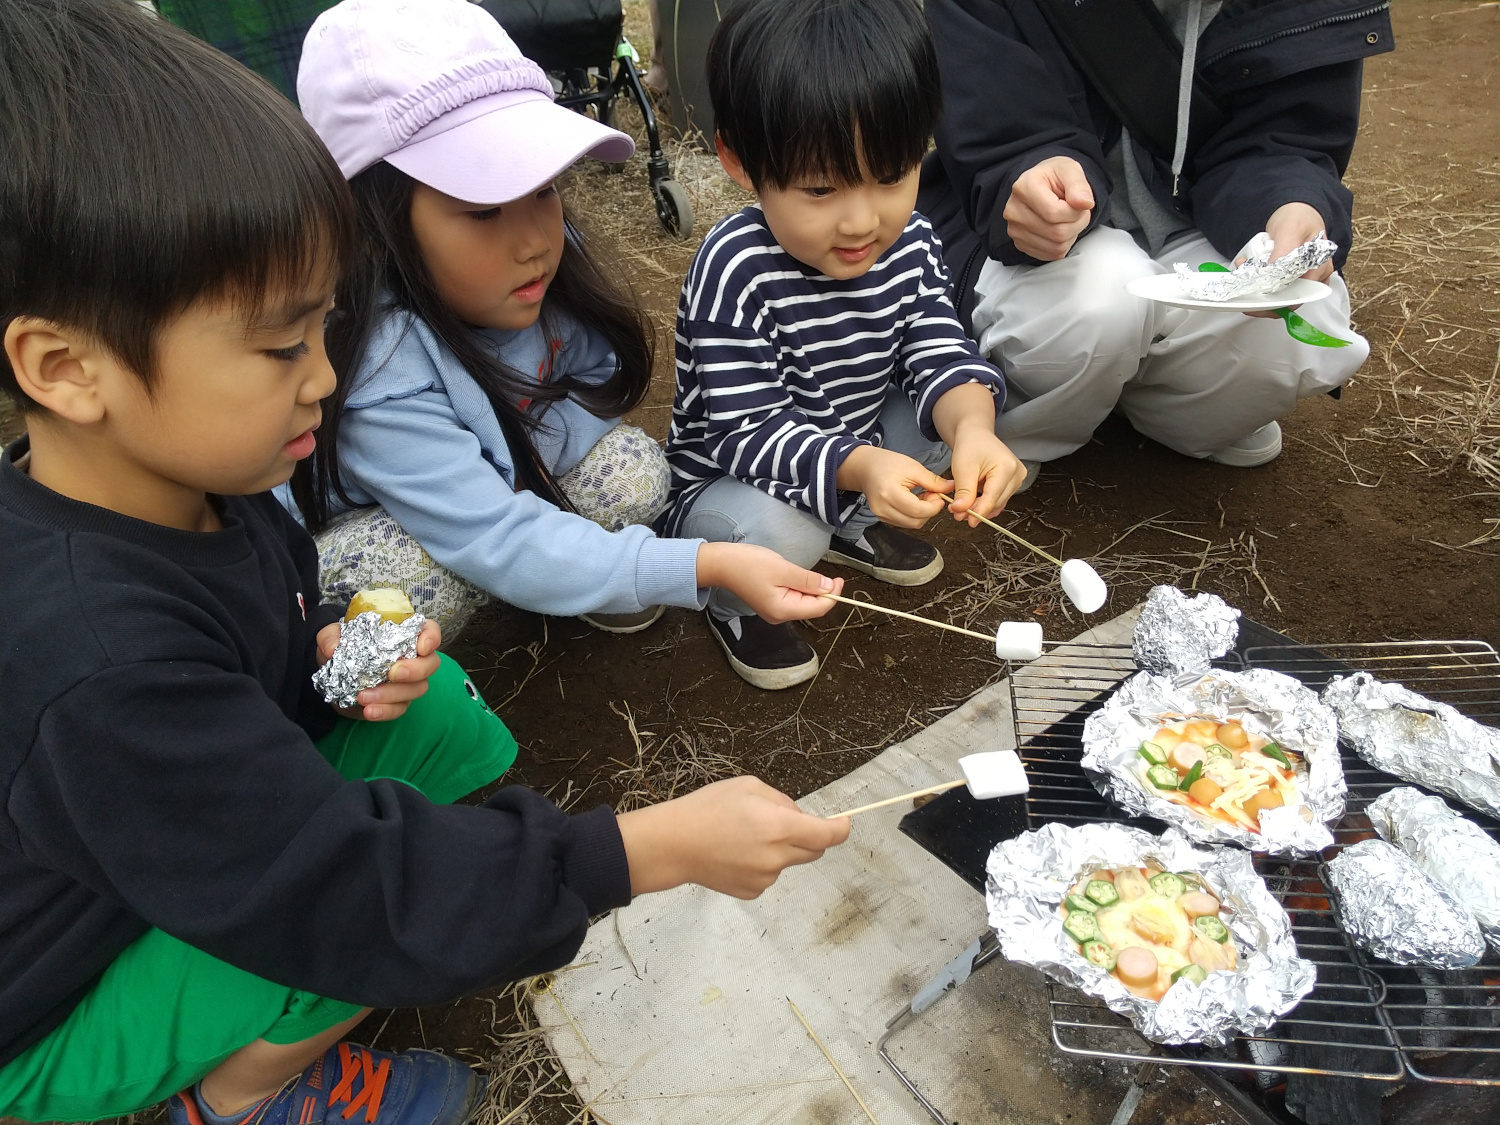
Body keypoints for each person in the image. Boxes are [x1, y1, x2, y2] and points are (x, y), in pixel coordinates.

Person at [0, 3, 849, 1123]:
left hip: (167, 859)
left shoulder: (202, 487)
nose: (323, 378)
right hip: (51, 1014)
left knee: (428, 702)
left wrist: (321, 665)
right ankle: (248, 1101)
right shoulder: (96, 663)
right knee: (374, 908)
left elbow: (234, 690)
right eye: (279, 346)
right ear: (66, 368)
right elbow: (343, 889)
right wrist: (637, 851)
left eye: (324, 328)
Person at [286, 0, 845, 642]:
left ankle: (569, 573)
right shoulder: (380, 367)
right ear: (376, 221)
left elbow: (593, 389)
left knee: (633, 468)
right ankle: (384, 672)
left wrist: (531, 483)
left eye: (543, 187)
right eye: (484, 207)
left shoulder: (541, 268)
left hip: (509, 483)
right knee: (405, 582)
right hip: (385, 528)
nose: (534, 240)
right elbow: (492, 533)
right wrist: (699, 563)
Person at [661, 0, 1028, 691]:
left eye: (891, 175)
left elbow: (938, 349)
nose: (862, 219)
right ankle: (739, 600)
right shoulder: (736, 265)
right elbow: (748, 433)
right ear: (740, 161)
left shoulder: (911, 242)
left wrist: (976, 427)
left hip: (844, 450)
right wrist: (862, 466)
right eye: (822, 187)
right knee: (786, 532)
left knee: (949, 418)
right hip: (737, 486)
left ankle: (852, 520)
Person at [918, 0, 1390, 472]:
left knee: (1293, 326)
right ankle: (1028, 427)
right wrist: (1022, 173)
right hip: (1056, 255)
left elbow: (1292, 137)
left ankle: (1171, 410)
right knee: (1096, 298)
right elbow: (996, 124)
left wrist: (1293, 202)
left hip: (1196, 223)